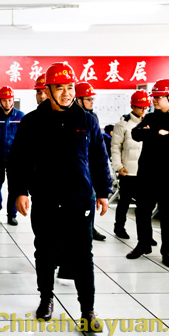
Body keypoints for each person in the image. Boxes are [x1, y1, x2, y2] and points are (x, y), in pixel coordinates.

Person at [8, 62, 111, 332]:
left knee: (83, 255)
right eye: (60, 88)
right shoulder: (32, 121)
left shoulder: (87, 120)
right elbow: (17, 160)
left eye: (70, 87)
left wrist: (103, 192)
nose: (66, 93)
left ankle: (87, 309)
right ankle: (46, 299)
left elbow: (99, 159)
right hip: (46, 199)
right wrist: (19, 191)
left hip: (80, 199)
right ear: (49, 90)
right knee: (45, 252)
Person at [127, 79, 169, 269]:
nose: (153, 100)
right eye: (153, 97)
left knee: (168, 214)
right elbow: (135, 134)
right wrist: (158, 132)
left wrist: (151, 132)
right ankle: (144, 244)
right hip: (148, 171)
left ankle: (168, 252)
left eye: (158, 97)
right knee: (142, 211)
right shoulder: (151, 116)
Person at [111, 90, 152, 240]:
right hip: (128, 170)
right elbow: (115, 147)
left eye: (146, 107)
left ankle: (147, 235)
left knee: (146, 205)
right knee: (125, 201)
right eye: (141, 107)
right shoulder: (122, 125)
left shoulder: (151, 123)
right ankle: (119, 227)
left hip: (146, 171)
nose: (144, 110)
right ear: (133, 106)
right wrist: (118, 166)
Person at [0, 86, 24, 225]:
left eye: (9, 100)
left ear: (13, 100)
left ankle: (11, 215)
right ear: (0, 101)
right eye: (4, 100)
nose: (7, 103)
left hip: (14, 158)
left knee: (13, 187)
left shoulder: (20, 116)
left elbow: (23, 137)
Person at [75, 81, 108, 241]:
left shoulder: (92, 118)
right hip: (77, 169)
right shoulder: (72, 118)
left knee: (91, 199)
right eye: (88, 99)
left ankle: (90, 228)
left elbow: (99, 152)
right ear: (79, 100)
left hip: (90, 168)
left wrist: (104, 188)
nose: (91, 102)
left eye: (92, 99)